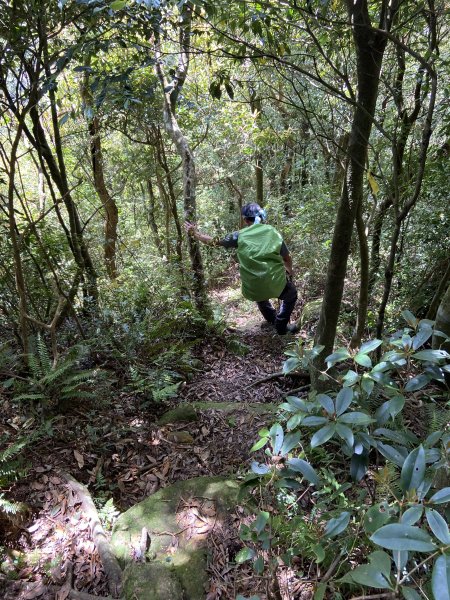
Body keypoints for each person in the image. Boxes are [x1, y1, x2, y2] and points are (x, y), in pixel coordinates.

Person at [185, 203, 298, 335]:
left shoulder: (239, 235)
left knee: (260, 294)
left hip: (253, 286)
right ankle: (281, 324)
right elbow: (286, 258)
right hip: (275, 282)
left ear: (245, 220)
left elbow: (214, 241)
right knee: (291, 294)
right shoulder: (272, 232)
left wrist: (195, 233)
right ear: (261, 217)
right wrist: (289, 270)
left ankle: (273, 320)